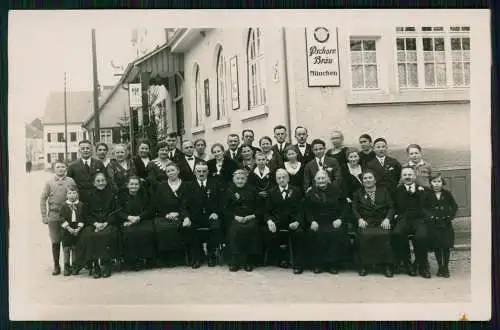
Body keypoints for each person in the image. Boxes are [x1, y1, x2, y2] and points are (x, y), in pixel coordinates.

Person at [303, 170, 349, 274]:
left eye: (323, 178)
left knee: (335, 234)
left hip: (333, 220)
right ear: (315, 181)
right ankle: (317, 264)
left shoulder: (336, 190)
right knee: (314, 234)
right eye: (318, 178)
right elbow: (307, 209)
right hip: (317, 221)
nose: (321, 180)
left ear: (327, 179)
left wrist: (340, 219)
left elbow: (345, 207)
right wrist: (312, 221)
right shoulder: (311, 192)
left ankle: (332, 264)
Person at [352, 171, 395, 277]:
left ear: (375, 180)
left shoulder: (384, 191)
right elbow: (354, 208)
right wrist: (360, 219)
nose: (368, 180)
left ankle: (386, 265)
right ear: (362, 181)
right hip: (366, 221)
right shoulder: (358, 193)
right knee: (365, 236)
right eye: (365, 178)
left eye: (370, 178)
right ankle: (364, 265)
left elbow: (391, 207)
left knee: (385, 235)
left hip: (381, 221)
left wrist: (387, 219)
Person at [264, 169, 306, 274]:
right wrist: (269, 221)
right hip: (277, 222)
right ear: (276, 180)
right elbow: (267, 211)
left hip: (293, 222)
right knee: (267, 232)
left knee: (299, 234)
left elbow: (301, 210)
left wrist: (297, 222)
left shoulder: (296, 190)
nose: (281, 180)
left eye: (284, 177)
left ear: (288, 178)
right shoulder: (271, 192)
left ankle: (298, 264)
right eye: (279, 178)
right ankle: (281, 259)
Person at [77, 172, 119, 278]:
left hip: (108, 222)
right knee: (88, 235)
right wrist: (95, 223)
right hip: (93, 223)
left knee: (108, 234)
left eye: (103, 180)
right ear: (94, 183)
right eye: (98, 181)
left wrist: (105, 223)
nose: (101, 183)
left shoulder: (112, 194)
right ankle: (95, 264)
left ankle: (106, 264)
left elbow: (114, 212)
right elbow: (86, 214)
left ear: (106, 181)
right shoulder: (88, 196)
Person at [392, 166, 431, 278]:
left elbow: (429, 207)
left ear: (414, 176)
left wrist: (426, 217)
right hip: (403, 218)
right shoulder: (396, 191)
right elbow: (392, 206)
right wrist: (395, 215)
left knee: (421, 237)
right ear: (401, 177)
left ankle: (422, 265)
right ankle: (407, 262)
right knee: (397, 234)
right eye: (405, 175)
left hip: (419, 219)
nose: (407, 177)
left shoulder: (424, 190)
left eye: (409, 175)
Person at [151, 162, 193, 267]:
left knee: (180, 227)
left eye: (173, 170)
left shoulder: (186, 185)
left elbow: (188, 203)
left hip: (182, 214)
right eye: (168, 171)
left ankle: (178, 257)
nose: (171, 173)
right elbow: (157, 203)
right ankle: (166, 258)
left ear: (178, 171)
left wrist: (178, 213)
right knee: (161, 227)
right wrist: (166, 214)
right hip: (165, 215)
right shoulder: (162, 186)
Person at [40, 160, 77, 275]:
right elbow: (42, 199)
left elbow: (76, 195)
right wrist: (44, 215)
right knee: (55, 241)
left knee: (68, 241)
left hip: (68, 215)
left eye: (63, 167)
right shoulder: (49, 183)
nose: (60, 169)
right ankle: (56, 265)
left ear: (66, 168)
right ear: (54, 169)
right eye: (58, 167)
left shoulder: (70, 181)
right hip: (54, 215)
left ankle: (68, 265)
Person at [186, 162, 223, 268]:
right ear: (194, 172)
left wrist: (216, 213)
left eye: (204, 171)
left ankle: (211, 254)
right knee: (189, 227)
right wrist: (187, 217)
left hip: (211, 215)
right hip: (195, 216)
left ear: (208, 172)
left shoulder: (215, 184)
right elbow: (184, 204)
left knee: (216, 226)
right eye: (199, 171)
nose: (201, 173)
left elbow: (222, 202)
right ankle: (197, 256)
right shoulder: (188, 185)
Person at [224, 170, 261, 272]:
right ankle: (235, 260)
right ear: (233, 179)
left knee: (252, 228)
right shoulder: (229, 190)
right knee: (234, 229)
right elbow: (225, 208)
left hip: (250, 217)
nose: (240, 181)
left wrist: (252, 216)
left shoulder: (253, 190)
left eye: (242, 178)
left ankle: (249, 260)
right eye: (237, 178)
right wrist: (235, 216)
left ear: (246, 179)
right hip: (235, 217)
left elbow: (259, 207)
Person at [423, 173, 458, 278]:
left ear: (442, 183)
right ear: (430, 183)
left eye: (439, 182)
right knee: (437, 246)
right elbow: (424, 208)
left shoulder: (447, 194)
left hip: (445, 224)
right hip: (434, 225)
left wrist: (449, 216)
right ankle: (440, 266)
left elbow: (454, 206)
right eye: (434, 182)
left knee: (446, 246)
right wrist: (430, 217)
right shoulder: (427, 195)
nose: (437, 184)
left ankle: (446, 267)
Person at [117, 176, 155, 271]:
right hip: (127, 221)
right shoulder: (121, 195)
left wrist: (139, 217)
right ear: (127, 185)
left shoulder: (145, 194)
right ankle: (133, 261)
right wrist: (128, 218)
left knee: (148, 231)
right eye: (132, 184)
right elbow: (118, 211)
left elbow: (149, 209)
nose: (134, 186)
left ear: (139, 185)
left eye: (136, 184)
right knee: (130, 233)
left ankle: (148, 259)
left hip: (142, 219)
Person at [59, 188, 85, 276]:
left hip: (77, 229)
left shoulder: (81, 205)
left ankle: (75, 265)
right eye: (69, 193)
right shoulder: (64, 205)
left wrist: (78, 229)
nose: (72, 195)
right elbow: (61, 218)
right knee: (66, 248)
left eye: (74, 193)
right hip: (67, 230)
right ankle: (66, 266)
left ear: (77, 194)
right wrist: (69, 228)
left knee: (75, 247)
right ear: (66, 195)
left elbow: (82, 217)